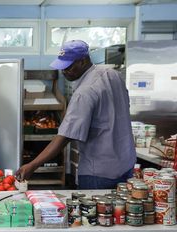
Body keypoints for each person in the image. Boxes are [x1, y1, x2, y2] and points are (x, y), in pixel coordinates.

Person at [16, 40, 136, 189]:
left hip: (99, 173)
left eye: (68, 67)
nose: (64, 71)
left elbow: (65, 137)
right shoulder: (113, 75)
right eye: (62, 67)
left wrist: (32, 165)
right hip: (126, 165)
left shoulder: (84, 92)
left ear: (83, 61)